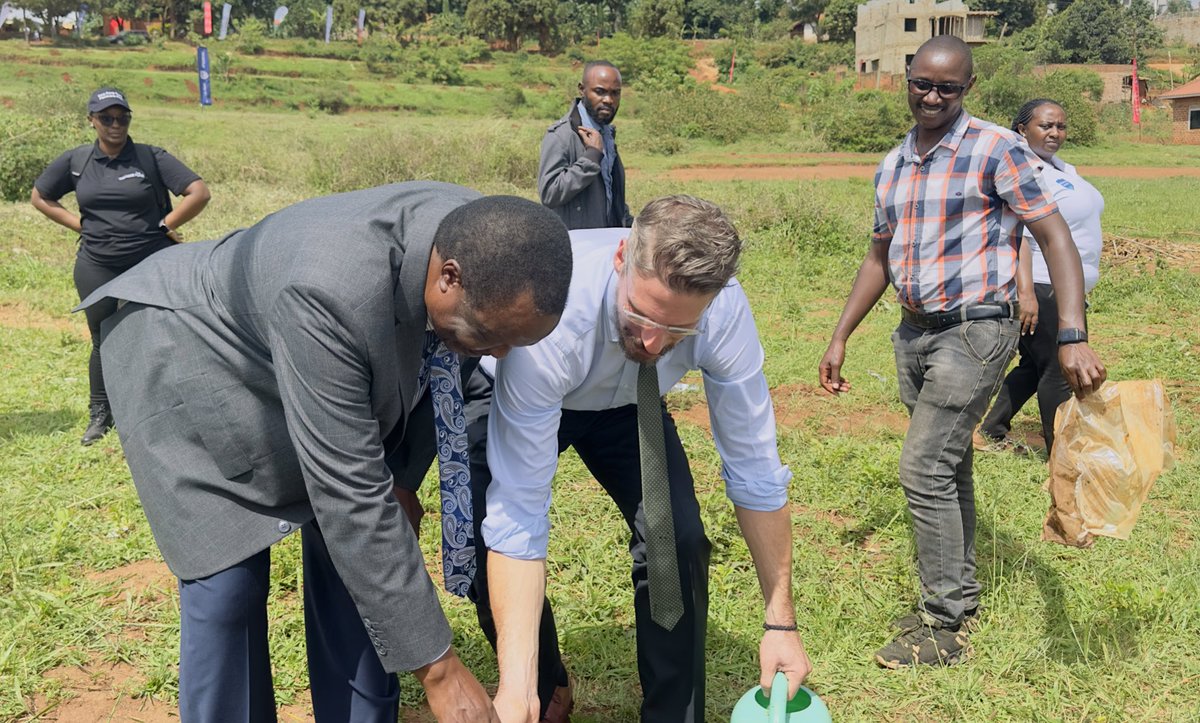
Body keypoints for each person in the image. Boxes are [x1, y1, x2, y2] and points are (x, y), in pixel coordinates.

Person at [78, 183, 573, 723]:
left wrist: (402, 477)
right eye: (489, 337)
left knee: (360, 568)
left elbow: (440, 377)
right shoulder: (329, 289)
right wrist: (440, 670)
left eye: (512, 344)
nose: (497, 355)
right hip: (188, 355)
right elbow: (350, 495)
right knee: (229, 589)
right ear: (448, 277)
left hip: (299, 346)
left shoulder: (491, 246)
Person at [817, 37, 1106, 669]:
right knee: (949, 467)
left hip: (977, 331)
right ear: (907, 79)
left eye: (947, 87)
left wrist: (1073, 331)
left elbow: (1053, 235)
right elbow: (878, 257)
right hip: (914, 332)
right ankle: (961, 595)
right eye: (922, 83)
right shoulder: (894, 162)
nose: (932, 96)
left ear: (967, 88)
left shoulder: (996, 148)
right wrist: (841, 334)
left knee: (922, 469)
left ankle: (942, 623)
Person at [467, 197, 811, 723]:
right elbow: (519, 512)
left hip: (629, 404)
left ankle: (673, 714)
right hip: (528, 393)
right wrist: (515, 690)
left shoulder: (721, 311)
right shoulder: (554, 317)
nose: (654, 341)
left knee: (676, 535)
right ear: (622, 256)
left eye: (677, 332)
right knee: (479, 535)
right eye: (642, 315)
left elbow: (756, 470)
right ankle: (540, 687)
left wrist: (780, 623)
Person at [31, 87, 211, 446]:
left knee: (164, 332)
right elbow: (41, 197)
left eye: (122, 117)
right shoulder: (77, 161)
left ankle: (173, 409)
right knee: (103, 338)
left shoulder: (149, 157)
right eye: (107, 118)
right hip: (97, 262)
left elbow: (198, 192)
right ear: (92, 121)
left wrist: (166, 224)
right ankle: (101, 413)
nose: (116, 125)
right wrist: (79, 225)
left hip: (151, 260)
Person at [976, 99, 1105, 457]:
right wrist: (1026, 292)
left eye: (1060, 126)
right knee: (1057, 370)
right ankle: (1060, 455)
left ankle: (990, 429)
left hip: (1065, 287)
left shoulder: (1063, 169)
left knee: (1035, 365)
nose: (1055, 132)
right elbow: (1016, 235)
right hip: (1044, 285)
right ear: (1022, 130)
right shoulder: (1021, 171)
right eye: (1045, 126)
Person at [537, 60, 634, 230]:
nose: (608, 100)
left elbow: (612, 195)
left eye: (615, 93)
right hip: (577, 246)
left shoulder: (606, 133)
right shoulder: (562, 135)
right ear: (582, 90)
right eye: (600, 92)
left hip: (607, 242)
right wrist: (591, 157)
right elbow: (550, 194)